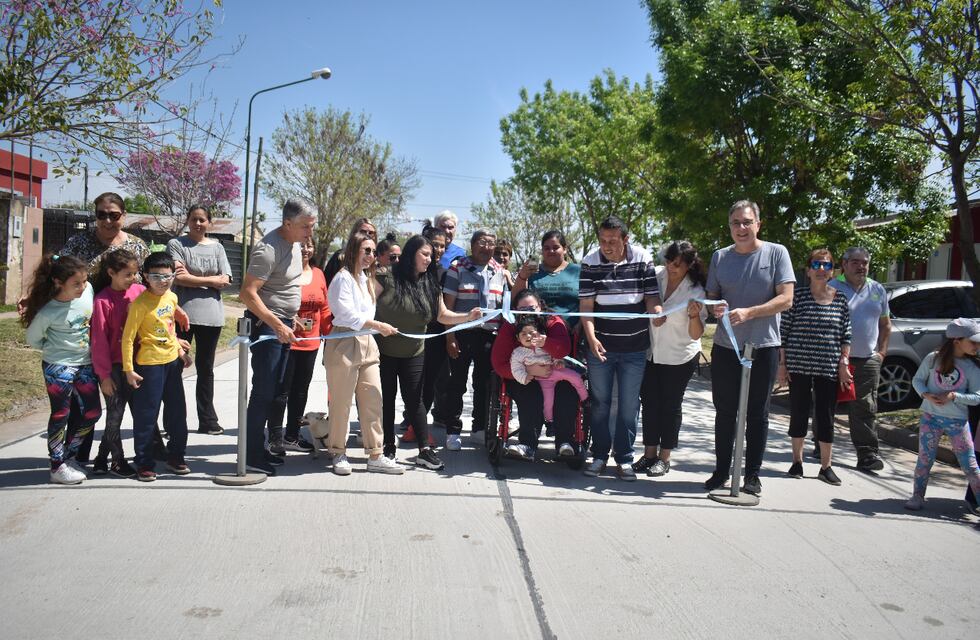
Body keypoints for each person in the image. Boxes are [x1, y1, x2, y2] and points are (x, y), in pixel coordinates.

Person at [705, 200, 795, 496]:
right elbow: (712, 296)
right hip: (725, 346)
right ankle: (721, 472)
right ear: (729, 227)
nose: (741, 228)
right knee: (725, 411)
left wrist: (750, 312)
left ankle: (752, 475)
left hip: (763, 346)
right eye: (735, 223)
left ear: (758, 223)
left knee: (758, 412)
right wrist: (715, 307)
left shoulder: (776, 253)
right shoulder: (720, 257)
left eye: (746, 222)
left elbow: (786, 299)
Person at [375, 234, 483, 470]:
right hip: (383, 350)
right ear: (410, 253)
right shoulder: (387, 276)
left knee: (415, 399)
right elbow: (364, 303)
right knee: (387, 398)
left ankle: (424, 450)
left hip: (414, 351)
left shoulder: (430, 283)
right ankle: (387, 447)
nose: (429, 258)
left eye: (431, 256)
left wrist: (467, 316)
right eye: (425, 254)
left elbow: (442, 315)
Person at [59, 191, 150, 462]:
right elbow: (58, 274)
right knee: (85, 400)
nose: (108, 220)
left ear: (123, 216)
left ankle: (142, 451)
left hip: (127, 331)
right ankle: (77, 454)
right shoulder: (78, 242)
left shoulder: (137, 246)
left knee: (132, 400)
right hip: (84, 327)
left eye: (114, 215)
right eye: (102, 214)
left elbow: (150, 286)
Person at [579, 215, 662, 481]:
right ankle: (599, 455)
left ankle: (624, 459)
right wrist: (591, 339)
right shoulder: (590, 262)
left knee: (628, 406)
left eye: (613, 241)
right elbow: (586, 308)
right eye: (602, 241)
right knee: (601, 404)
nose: (607, 246)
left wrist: (658, 311)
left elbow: (651, 297)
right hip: (600, 349)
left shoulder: (642, 258)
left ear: (625, 239)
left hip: (635, 349)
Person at [239, 198, 317, 476]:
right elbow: (247, 294)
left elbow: (281, 287)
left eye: (312, 226)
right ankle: (249, 454)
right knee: (263, 393)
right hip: (267, 328)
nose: (310, 232)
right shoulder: (268, 249)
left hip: (283, 324)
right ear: (287, 223)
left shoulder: (294, 245)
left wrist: (290, 318)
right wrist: (276, 323)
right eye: (305, 226)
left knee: (275, 392)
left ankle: (260, 450)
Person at [323, 231, 403, 475]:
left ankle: (375, 454)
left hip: (367, 342)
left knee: (372, 399)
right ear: (353, 250)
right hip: (344, 341)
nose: (370, 255)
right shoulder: (342, 278)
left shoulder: (367, 280)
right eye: (366, 250)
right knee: (341, 402)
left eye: (372, 251)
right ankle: (338, 452)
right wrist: (378, 326)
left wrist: (374, 327)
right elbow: (344, 314)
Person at [23, 254, 102, 485]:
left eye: (84, 281)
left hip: (85, 364)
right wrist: (55, 350)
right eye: (75, 283)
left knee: (92, 412)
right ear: (58, 282)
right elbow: (33, 339)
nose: (82, 287)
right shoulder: (48, 311)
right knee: (60, 414)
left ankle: (68, 456)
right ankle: (56, 466)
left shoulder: (87, 292)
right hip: (58, 366)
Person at [777, 249, 852, 486]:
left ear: (833, 271)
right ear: (808, 270)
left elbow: (846, 335)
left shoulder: (840, 299)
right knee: (798, 412)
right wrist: (782, 364)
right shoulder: (797, 296)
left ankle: (826, 466)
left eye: (827, 265)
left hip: (828, 367)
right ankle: (796, 461)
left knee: (826, 416)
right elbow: (784, 332)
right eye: (817, 265)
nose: (822, 269)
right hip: (798, 365)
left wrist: (844, 364)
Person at [634, 240, 708, 477]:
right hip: (651, 353)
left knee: (670, 406)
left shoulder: (696, 291)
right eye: (668, 261)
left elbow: (696, 333)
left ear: (688, 265)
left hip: (679, 357)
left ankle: (664, 458)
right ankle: (648, 454)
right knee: (650, 403)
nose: (670, 267)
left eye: (676, 264)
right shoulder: (656, 276)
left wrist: (694, 316)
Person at [121, 252, 193, 482]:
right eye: (156, 276)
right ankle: (144, 463)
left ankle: (176, 456)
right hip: (149, 367)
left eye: (168, 276)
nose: (163, 281)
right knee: (146, 416)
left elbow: (170, 329)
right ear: (145, 277)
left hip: (172, 364)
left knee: (178, 415)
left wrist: (181, 352)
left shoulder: (171, 298)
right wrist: (128, 369)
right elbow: (128, 339)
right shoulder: (139, 305)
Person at [490, 290, 581, 459]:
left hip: (553, 373)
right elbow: (499, 363)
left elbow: (564, 350)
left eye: (532, 308)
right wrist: (527, 372)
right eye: (522, 309)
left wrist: (545, 342)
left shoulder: (553, 322)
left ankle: (565, 442)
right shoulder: (510, 327)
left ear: (540, 307)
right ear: (516, 310)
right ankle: (528, 445)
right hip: (521, 375)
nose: (528, 313)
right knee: (531, 393)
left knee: (567, 390)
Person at [167, 204, 233, 436]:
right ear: (187, 220)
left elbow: (226, 279)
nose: (197, 223)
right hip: (181, 314)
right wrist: (211, 281)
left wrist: (208, 279)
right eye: (193, 219)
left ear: (209, 223)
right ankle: (173, 422)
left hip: (212, 317)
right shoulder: (176, 244)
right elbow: (179, 277)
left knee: (206, 370)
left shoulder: (217, 248)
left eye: (202, 219)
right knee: (174, 367)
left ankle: (207, 420)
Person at [905, 318, 980, 513]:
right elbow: (918, 380)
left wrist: (954, 396)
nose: (977, 346)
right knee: (924, 459)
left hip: (957, 422)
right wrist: (926, 394)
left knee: (970, 465)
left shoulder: (973, 367)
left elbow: (977, 397)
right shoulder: (933, 359)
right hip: (930, 417)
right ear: (957, 341)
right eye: (973, 341)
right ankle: (917, 495)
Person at [442, 229, 508, 451]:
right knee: (457, 383)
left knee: (484, 384)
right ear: (472, 244)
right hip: (462, 334)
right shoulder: (457, 268)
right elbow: (447, 306)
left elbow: (504, 307)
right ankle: (453, 430)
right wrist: (450, 336)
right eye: (482, 242)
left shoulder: (500, 271)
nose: (487, 247)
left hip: (490, 335)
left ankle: (479, 427)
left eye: (491, 243)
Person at [829, 246, 891, 472]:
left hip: (866, 360)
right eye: (855, 262)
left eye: (864, 262)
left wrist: (881, 353)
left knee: (865, 406)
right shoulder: (831, 288)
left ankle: (867, 454)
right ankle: (822, 443)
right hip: (832, 358)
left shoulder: (877, 289)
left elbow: (885, 325)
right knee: (826, 403)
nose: (861, 266)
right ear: (844, 264)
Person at [268, 238, 327, 455]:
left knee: (301, 392)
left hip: (310, 343)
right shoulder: (284, 273)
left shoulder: (319, 273)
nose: (305, 249)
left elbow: (325, 307)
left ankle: (292, 435)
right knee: (281, 391)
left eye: (309, 245)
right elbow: (274, 302)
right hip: (287, 342)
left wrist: (329, 335)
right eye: (301, 245)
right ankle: (275, 438)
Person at [89, 250, 142, 478]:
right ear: (111, 273)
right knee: (114, 414)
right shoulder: (102, 300)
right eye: (128, 274)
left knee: (120, 413)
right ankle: (117, 461)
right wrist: (104, 376)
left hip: (137, 363)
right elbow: (98, 340)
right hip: (113, 368)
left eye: (135, 273)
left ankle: (101, 458)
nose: (134, 279)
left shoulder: (140, 292)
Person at [506, 313, 587, 457]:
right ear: (518, 338)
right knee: (540, 398)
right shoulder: (518, 353)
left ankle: (585, 400)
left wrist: (558, 361)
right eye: (524, 334)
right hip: (533, 379)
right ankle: (531, 440)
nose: (528, 336)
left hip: (554, 372)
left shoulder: (545, 344)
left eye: (531, 333)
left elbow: (556, 354)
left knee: (571, 380)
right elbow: (515, 368)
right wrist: (526, 376)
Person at [514, 229, 581, 333]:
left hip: (573, 332)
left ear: (565, 249)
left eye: (556, 247)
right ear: (542, 251)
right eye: (546, 248)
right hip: (538, 333)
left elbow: (589, 302)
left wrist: (580, 325)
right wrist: (523, 275)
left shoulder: (578, 271)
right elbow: (516, 299)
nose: (551, 251)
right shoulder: (532, 271)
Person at [324, 218, 377, 285]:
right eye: (363, 232)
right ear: (354, 233)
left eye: (371, 233)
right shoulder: (340, 257)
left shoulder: (374, 261)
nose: (367, 234)